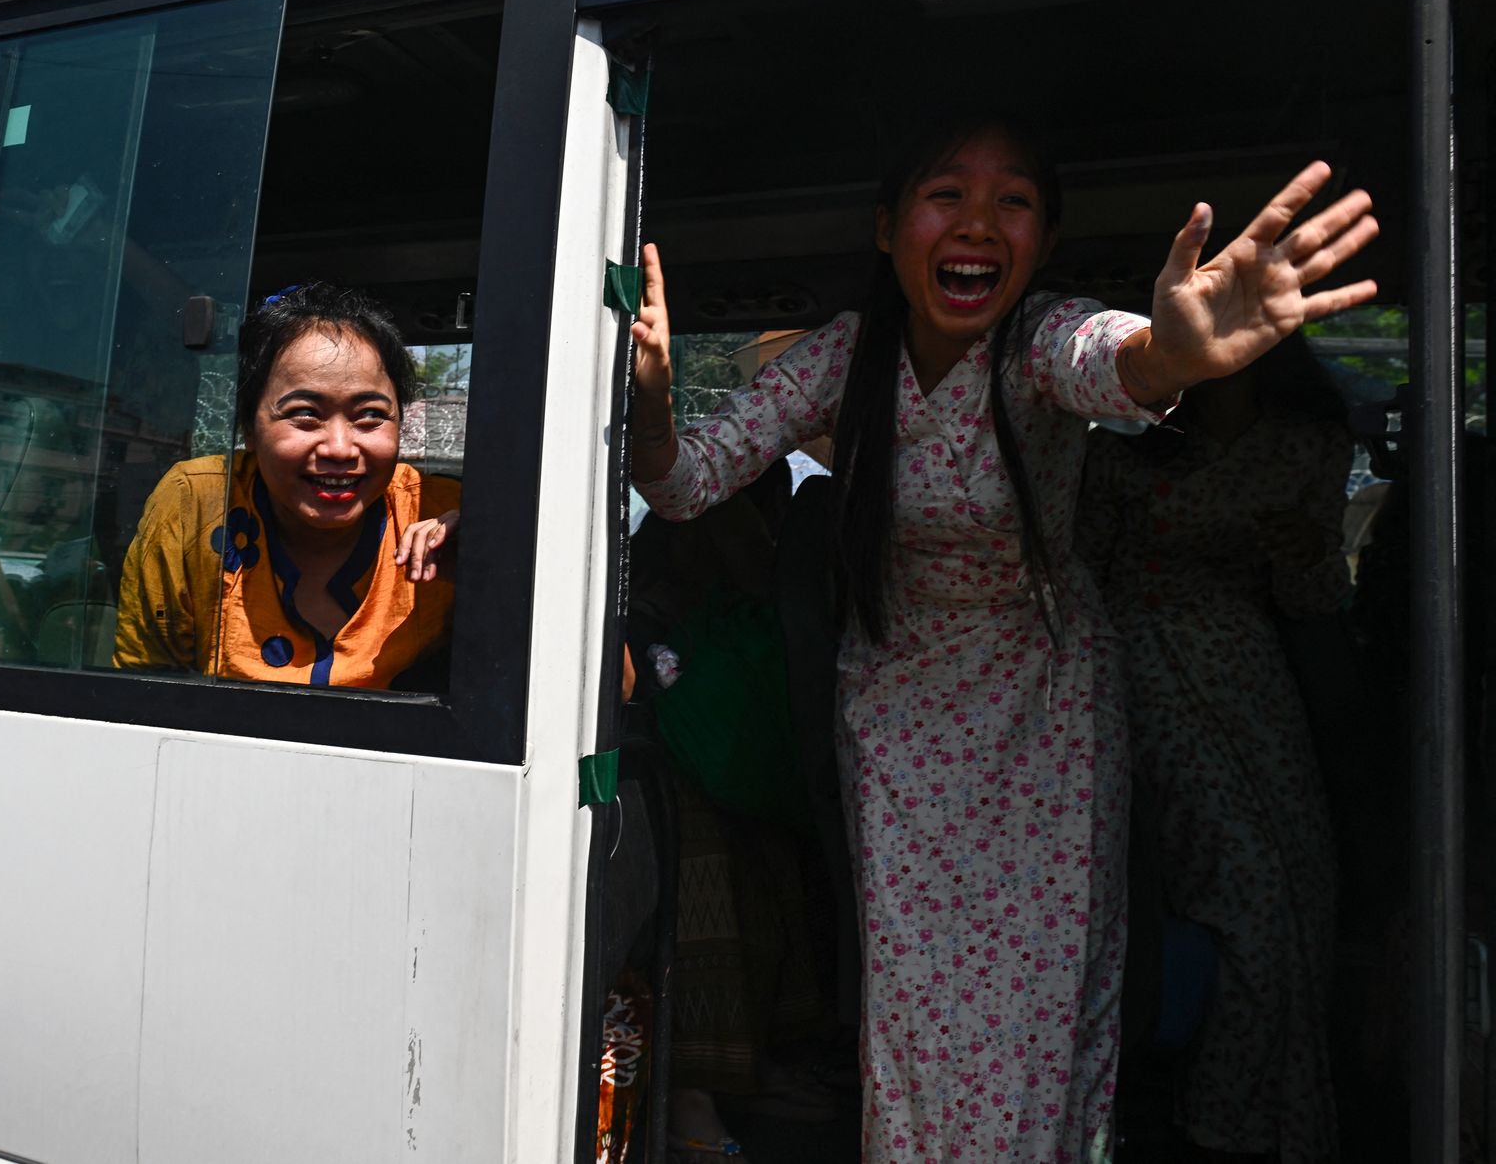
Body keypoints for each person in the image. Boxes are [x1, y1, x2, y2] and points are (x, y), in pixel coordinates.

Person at [628, 109, 1378, 1163]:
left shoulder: (1038, 344)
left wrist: (1174, 353)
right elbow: (683, 482)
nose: (977, 222)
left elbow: (1114, 359)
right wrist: (652, 407)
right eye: (947, 195)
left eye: (1011, 201)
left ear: (1043, 243)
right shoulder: (845, 357)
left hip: (1044, 715)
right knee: (919, 1015)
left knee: (1040, 1011)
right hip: (894, 715)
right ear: (888, 229)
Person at [1078, 336, 1351, 1163]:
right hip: (1143, 676)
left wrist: (1307, 557)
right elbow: (1081, 570)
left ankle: (1272, 1120)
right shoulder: (1128, 445)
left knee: (1305, 889)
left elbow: (1314, 595)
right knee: (1250, 897)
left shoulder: (1307, 447)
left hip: (1249, 680)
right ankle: (1220, 1121)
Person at [114, 282, 460, 688]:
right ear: (249, 428)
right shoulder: (199, 503)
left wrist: (490, 563)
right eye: (305, 414)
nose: (340, 448)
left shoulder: (440, 514)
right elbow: (143, 685)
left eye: (370, 415)